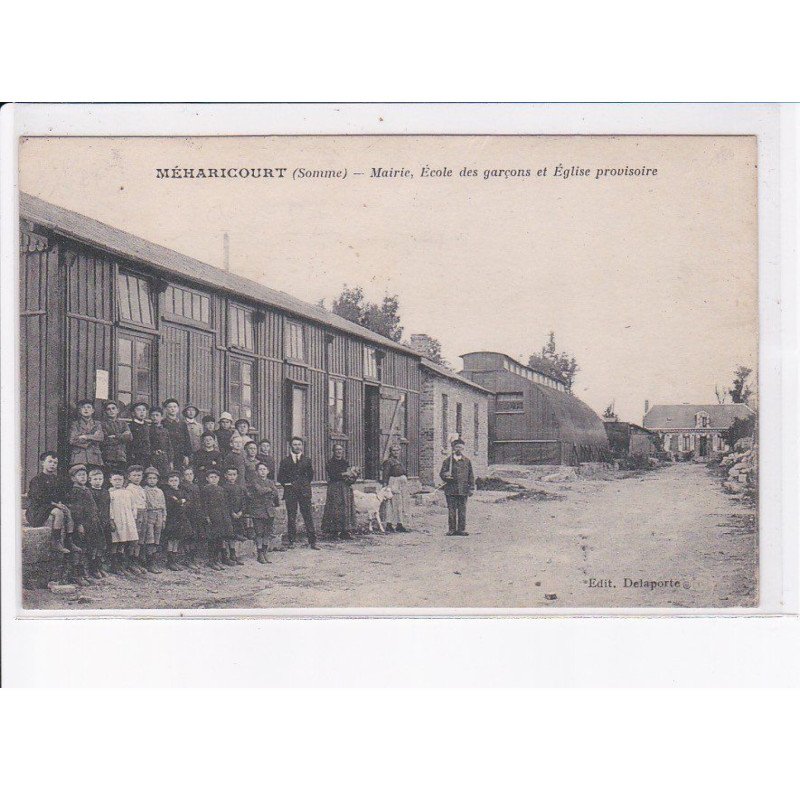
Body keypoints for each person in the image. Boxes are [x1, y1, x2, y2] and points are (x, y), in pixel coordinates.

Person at [26, 451, 73, 562]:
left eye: (55, 463)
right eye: (50, 462)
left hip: (50, 506)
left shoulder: (56, 479)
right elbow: (38, 497)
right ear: (43, 463)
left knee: (67, 511)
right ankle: (55, 541)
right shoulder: (37, 479)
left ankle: (70, 540)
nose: (52, 465)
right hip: (37, 510)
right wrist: (56, 505)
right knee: (59, 513)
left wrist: (61, 503)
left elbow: (60, 494)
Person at [65, 464, 104, 586]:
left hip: (91, 523)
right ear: (73, 478)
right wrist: (79, 524)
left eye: (84, 475)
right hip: (81, 524)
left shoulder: (86, 489)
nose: (83, 477)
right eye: (79, 475)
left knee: (89, 547)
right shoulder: (75, 491)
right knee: (79, 548)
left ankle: (85, 572)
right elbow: (76, 510)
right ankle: (76, 574)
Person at [277, 436, 318, 550]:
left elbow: (310, 476)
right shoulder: (285, 461)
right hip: (291, 493)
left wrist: (302, 485)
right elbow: (280, 477)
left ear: (302, 446)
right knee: (291, 517)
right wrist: (289, 484)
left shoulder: (307, 460)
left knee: (308, 516)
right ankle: (291, 541)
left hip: (304, 492)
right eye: (295, 444)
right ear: (291, 446)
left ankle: (312, 542)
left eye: (299, 444)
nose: (297, 446)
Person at [247, 461, 281, 562]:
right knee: (259, 533)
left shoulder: (271, 482)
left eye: (264, 469)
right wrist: (269, 490)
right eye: (260, 469)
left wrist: (269, 490)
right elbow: (259, 491)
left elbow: (275, 493)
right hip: (258, 510)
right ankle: (260, 553)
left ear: (268, 471)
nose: (262, 471)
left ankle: (265, 552)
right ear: (257, 472)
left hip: (269, 510)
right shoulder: (254, 481)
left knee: (267, 533)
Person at [321, 443, 357, 541]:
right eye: (337, 450)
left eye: (340, 450)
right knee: (335, 508)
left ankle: (345, 531)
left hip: (345, 487)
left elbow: (350, 475)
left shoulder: (345, 462)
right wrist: (345, 473)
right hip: (335, 487)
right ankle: (333, 532)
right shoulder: (330, 462)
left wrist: (354, 474)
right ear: (333, 451)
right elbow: (333, 475)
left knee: (346, 508)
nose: (339, 452)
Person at [440, 438, 475, 536]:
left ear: (463, 448)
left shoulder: (467, 461)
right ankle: (451, 529)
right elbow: (442, 474)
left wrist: (471, 488)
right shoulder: (447, 461)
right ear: (453, 448)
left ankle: (461, 529)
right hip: (450, 489)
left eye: (461, 447)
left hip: (463, 489)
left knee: (462, 510)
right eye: (457, 447)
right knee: (451, 510)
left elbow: (471, 475)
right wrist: (446, 475)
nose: (459, 449)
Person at [108, 469, 139, 575]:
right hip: (116, 520)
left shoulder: (128, 493)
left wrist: (133, 516)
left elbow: (133, 505)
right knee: (116, 541)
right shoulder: (110, 493)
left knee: (124, 541)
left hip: (127, 520)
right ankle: (114, 565)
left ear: (123, 481)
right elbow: (109, 508)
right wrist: (111, 519)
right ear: (110, 481)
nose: (118, 482)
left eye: (120, 480)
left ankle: (123, 565)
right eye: (115, 479)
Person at [200, 468, 229, 570]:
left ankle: (217, 559)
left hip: (220, 517)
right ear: (207, 479)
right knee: (212, 540)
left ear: (219, 479)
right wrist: (206, 516)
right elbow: (204, 505)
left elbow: (224, 505)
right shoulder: (205, 489)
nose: (214, 479)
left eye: (216, 477)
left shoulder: (221, 489)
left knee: (219, 539)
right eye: (211, 477)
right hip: (211, 517)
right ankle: (211, 561)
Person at [163, 471, 191, 571]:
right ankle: (170, 561)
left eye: (176, 480)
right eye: (171, 481)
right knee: (171, 539)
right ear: (168, 482)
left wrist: (182, 502)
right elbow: (174, 502)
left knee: (177, 539)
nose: (174, 482)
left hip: (181, 518)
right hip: (172, 518)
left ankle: (174, 560)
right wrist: (181, 501)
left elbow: (188, 501)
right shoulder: (168, 492)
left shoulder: (182, 491)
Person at [380, 443, 412, 532]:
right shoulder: (388, 462)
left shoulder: (399, 461)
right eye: (394, 450)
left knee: (400, 504)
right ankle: (389, 524)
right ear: (391, 452)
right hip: (393, 483)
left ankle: (399, 523)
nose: (396, 452)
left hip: (401, 485)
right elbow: (385, 474)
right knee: (391, 504)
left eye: (397, 450)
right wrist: (385, 486)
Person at [88, 467, 112, 577]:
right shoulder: (89, 492)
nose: (98, 481)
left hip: (105, 521)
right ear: (90, 480)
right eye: (95, 479)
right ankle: (93, 568)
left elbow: (108, 507)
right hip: (94, 523)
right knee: (95, 545)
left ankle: (100, 566)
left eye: (100, 479)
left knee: (103, 545)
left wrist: (109, 520)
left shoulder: (105, 492)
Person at [142, 466, 166, 573]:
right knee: (149, 538)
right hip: (149, 514)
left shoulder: (160, 491)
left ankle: (155, 562)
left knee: (157, 538)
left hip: (159, 515)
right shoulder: (144, 490)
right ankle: (149, 563)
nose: (152, 480)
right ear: (146, 479)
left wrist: (164, 518)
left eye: (154, 478)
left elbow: (164, 506)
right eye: (150, 478)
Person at [126, 464, 148, 575]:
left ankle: (137, 561)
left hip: (143, 513)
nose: (137, 477)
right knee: (134, 539)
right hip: (135, 514)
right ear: (129, 477)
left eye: (139, 475)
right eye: (134, 475)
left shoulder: (141, 489)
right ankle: (130, 562)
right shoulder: (129, 489)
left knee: (141, 539)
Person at [69, 399, 104, 468]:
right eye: (83, 407)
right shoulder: (75, 424)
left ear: (93, 411)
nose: (86, 409)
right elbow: (72, 440)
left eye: (88, 407)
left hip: (94, 457)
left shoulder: (97, 424)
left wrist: (85, 436)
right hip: (79, 457)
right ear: (80, 410)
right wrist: (93, 437)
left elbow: (100, 437)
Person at [100, 400, 132, 476]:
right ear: (105, 412)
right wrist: (122, 437)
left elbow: (129, 437)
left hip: (121, 456)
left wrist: (115, 436)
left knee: (120, 478)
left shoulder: (123, 424)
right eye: (108, 409)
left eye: (113, 408)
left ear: (117, 410)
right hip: (108, 457)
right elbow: (105, 440)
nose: (111, 411)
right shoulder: (102, 424)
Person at [180, 465, 204, 566]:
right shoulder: (182, 487)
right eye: (186, 474)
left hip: (196, 514)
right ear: (183, 476)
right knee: (188, 536)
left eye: (191, 474)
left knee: (195, 536)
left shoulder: (196, 486)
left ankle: (193, 558)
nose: (189, 476)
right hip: (187, 514)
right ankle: (187, 559)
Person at [223, 467, 247, 565]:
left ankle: (233, 554)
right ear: (225, 476)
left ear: (237, 476)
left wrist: (241, 511)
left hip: (238, 514)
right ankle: (225, 556)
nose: (232, 477)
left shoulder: (239, 487)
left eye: (234, 475)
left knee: (233, 535)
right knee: (227, 535)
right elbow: (225, 502)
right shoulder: (224, 488)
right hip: (228, 515)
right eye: (230, 475)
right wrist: (231, 512)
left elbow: (243, 501)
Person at [162, 398, 192, 468]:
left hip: (180, 454)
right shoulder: (163, 423)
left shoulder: (182, 423)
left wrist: (186, 455)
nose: (173, 409)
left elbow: (187, 440)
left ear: (178, 409)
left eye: (175, 407)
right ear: (166, 409)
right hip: (168, 454)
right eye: (170, 407)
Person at [149, 406, 174, 477]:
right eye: (152, 415)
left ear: (161, 417)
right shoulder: (148, 430)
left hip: (164, 458)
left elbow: (169, 446)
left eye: (157, 415)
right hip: (153, 458)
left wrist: (171, 461)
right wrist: (153, 452)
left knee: (165, 476)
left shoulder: (165, 431)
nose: (155, 417)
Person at [128, 401, 151, 468]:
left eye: (144, 410)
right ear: (133, 413)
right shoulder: (131, 426)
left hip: (147, 455)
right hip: (135, 455)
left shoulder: (147, 426)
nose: (142, 412)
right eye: (139, 410)